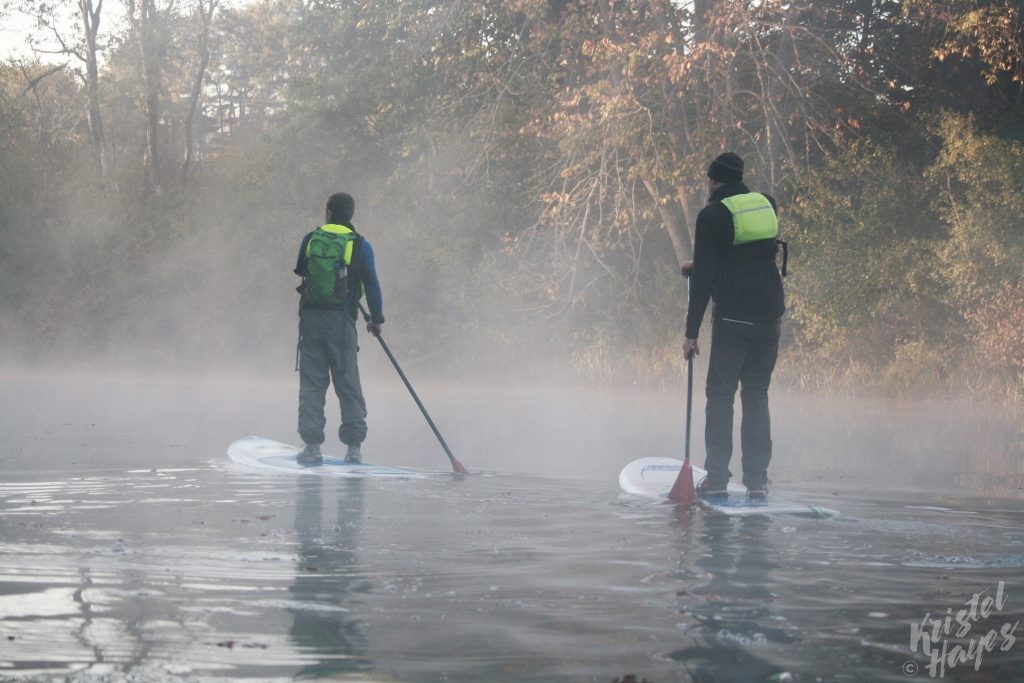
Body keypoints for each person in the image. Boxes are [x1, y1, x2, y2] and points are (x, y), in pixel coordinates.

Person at [680, 152, 785, 501]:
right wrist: (703, 261)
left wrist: (691, 332)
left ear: (712, 180)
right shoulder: (765, 204)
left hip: (734, 319)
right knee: (756, 395)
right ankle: (757, 480)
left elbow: (707, 276)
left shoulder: (711, 215)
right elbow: (751, 253)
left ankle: (717, 479)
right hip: (769, 316)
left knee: (721, 396)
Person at [294, 192, 385, 466]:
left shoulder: (310, 239)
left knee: (312, 384)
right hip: (341, 323)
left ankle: (311, 447)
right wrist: (376, 318)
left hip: (310, 320)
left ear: (328, 212)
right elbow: (372, 284)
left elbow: (302, 271)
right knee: (347, 382)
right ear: (351, 215)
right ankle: (354, 449)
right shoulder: (360, 244)